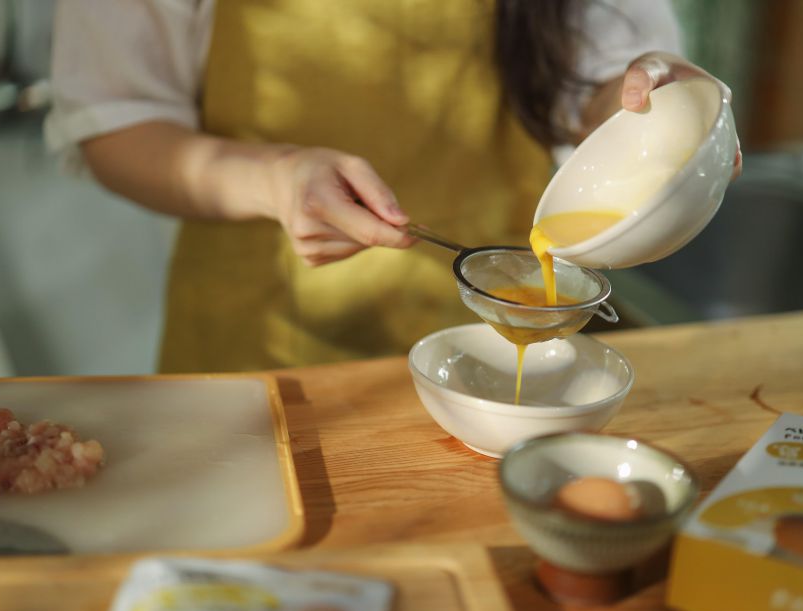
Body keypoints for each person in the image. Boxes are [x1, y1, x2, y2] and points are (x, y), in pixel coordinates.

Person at [47, 0, 736, 372]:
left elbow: (595, 83)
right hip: (261, 352)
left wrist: (655, 111)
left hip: (501, 343)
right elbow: (116, 122)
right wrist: (272, 178)